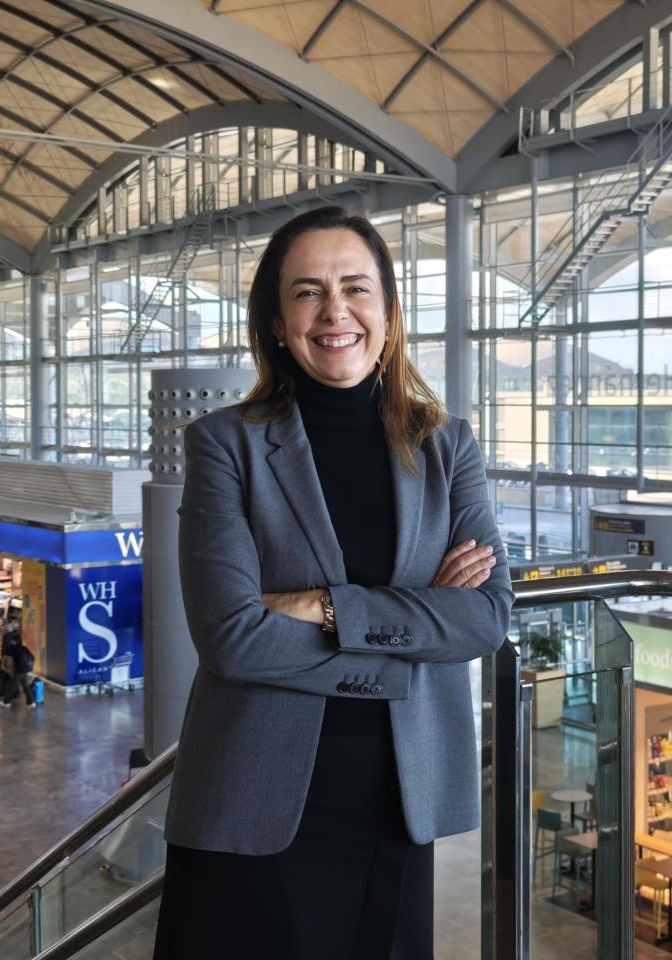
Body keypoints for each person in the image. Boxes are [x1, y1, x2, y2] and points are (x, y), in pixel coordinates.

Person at [154, 206, 513, 960]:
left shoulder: (446, 445)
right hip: (254, 797)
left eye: (356, 288)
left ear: (386, 310)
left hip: (397, 795)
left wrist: (321, 607)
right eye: (307, 292)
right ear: (278, 322)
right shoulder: (226, 444)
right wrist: (416, 630)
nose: (334, 311)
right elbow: (232, 639)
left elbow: (484, 619)